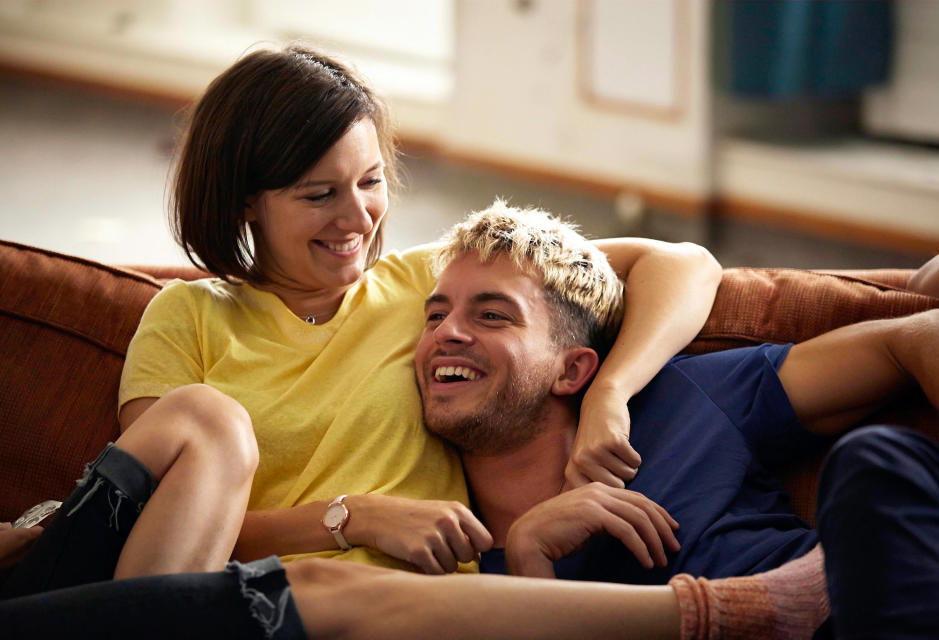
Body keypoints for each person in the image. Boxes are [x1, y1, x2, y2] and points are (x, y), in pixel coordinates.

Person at [117, 42, 723, 572]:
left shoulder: (430, 288)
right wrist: (354, 518)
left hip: (427, 604)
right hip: (267, 599)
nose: (358, 219)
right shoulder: (186, 317)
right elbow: (151, 527)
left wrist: (609, 393)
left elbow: (685, 265)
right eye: (320, 194)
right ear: (247, 201)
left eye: (371, 182)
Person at [413, 201, 939, 638]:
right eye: (434, 316)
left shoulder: (679, 400)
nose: (447, 333)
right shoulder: (449, 559)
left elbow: (930, 333)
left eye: (492, 315)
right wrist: (531, 558)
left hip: (872, 613)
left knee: (877, 465)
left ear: (572, 368)